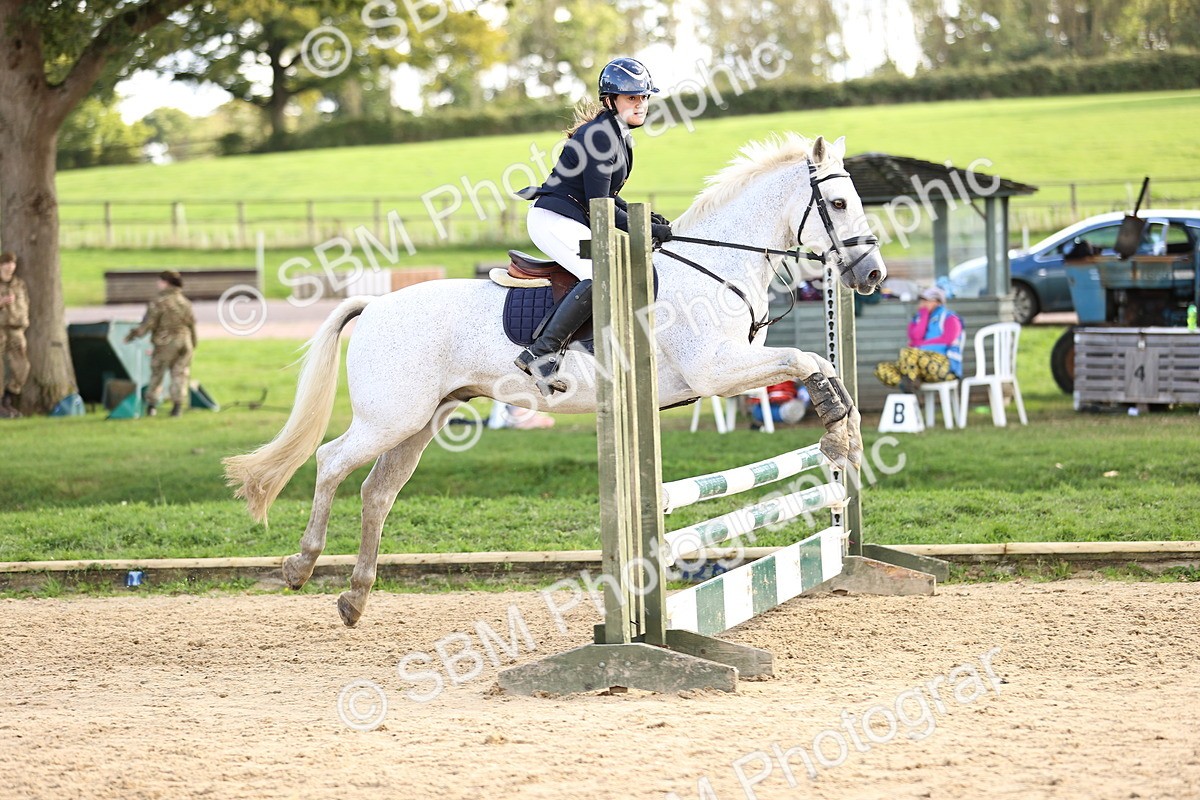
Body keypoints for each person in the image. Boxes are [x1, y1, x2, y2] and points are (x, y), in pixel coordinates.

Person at [513, 56, 672, 396]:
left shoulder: (618, 135)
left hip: (575, 216)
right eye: (632, 97)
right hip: (553, 220)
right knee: (602, 272)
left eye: (644, 97)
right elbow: (600, 207)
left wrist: (645, 217)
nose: (640, 104)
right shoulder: (600, 136)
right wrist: (642, 229)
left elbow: (608, 197)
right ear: (610, 100)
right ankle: (541, 353)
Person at [124, 270, 197, 417]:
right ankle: (177, 407)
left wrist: (131, 335)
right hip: (185, 342)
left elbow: (147, 325)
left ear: (166, 283)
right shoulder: (185, 302)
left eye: (160, 281)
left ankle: (151, 406)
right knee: (180, 374)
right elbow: (192, 325)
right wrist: (194, 343)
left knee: (157, 373)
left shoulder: (158, 302)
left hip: (166, 343)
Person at [874, 286, 964, 392]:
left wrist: (919, 345)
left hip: (946, 368)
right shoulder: (918, 318)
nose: (923, 303)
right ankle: (908, 385)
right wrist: (924, 316)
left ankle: (909, 386)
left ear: (938, 302)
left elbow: (946, 340)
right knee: (881, 368)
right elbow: (915, 337)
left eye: (927, 300)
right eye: (922, 300)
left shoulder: (950, 318)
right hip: (918, 370)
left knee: (907, 352)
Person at [0, 252, 30, 419]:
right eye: (6, 263)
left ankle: (8, 398)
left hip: (17, 329)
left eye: (12, 263)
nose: (10, 266)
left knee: (22, 367)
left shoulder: (19, 284)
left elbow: (25, 304)